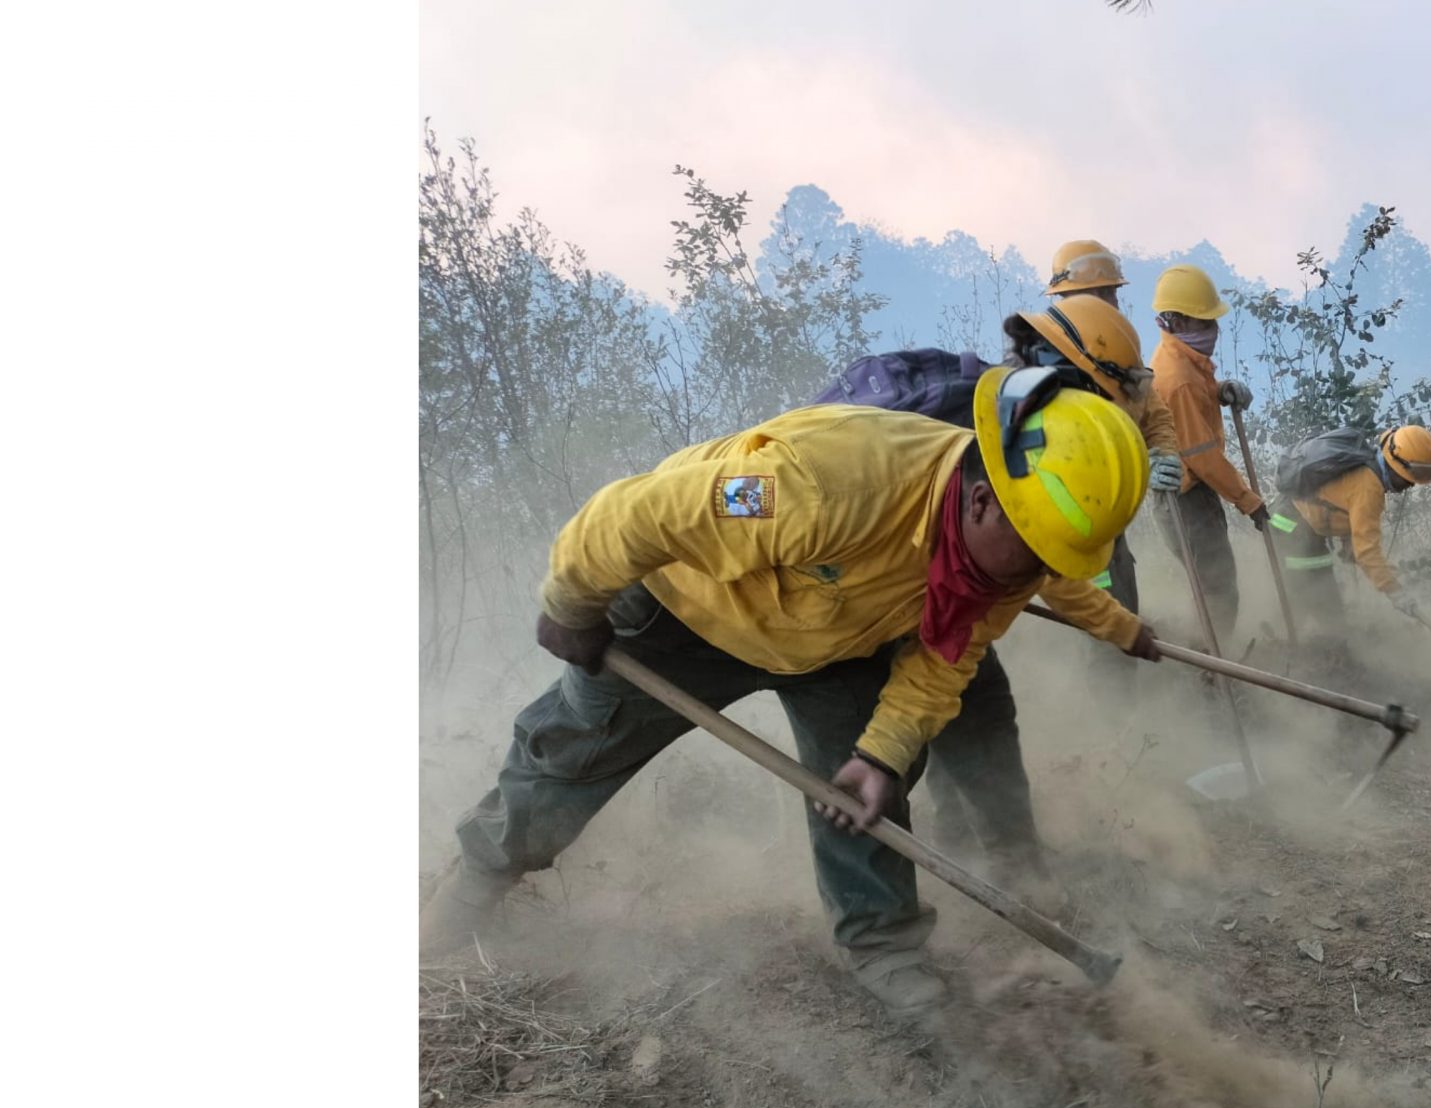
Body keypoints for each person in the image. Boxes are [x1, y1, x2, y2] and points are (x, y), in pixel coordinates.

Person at [421, 369, 1153, 1015]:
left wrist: (882, 754)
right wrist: (572, 604)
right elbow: (635, 515)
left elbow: (943, 664)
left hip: (839, 644)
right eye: (1037, 554)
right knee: (572, 752)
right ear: (985, 502)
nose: (1040, 576)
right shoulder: (818, 486)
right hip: (687, 614)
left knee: (866, 794)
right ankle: (476, 883)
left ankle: (883, 947)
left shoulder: (1001, 567)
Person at [806, 301, 1173, 892]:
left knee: (972, 711)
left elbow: (1042, 561)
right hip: (867, 605)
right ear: (1072, 373)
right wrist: (1120, 627)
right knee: (906, 737)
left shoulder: (1011, 414)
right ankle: (976, 872)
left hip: (937, 599)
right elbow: (1042, 560)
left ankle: (1008, 863)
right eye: (1107, 399)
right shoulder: (1004, 434)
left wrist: (1120, 628)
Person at [1043, 240, 1187, 612]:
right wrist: (1138, 462)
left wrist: (1164, 455)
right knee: (1101, 617)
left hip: (1108, 519)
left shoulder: (1119, 348)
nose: (1113, 303)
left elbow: (1154, 415)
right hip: (1069, 521)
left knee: (1123, 608)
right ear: (1069, 299)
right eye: (1103, 293)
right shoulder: (1044, 362)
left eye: (1113, 293)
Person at [1147, 263, 1268, 640]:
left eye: (1213, 321)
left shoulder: (1180, 358)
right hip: (1187, 500)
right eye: (1204, 322)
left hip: (1184, 494)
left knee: (1210, 585)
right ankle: (1211, 661)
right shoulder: (1180, 378)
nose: (1214, 330)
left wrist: (1218, 391)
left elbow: (1192, 399)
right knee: (1218, 588)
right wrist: (1249, 502)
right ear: (1177, 321)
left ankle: (1208, 653)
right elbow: (1203, 457)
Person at [1270, 423, 1431, 623]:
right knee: (1319, 602)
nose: (1411, 483)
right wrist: (1395, 591)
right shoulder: (1370, 488)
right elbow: (1367, 551)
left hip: (1294, 521)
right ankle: (1288, 635)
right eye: (1413, 475)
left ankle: (1294, 632)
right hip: (1292, 526)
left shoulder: (1366, 464)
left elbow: (1337, 499)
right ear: (1396, 464)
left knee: (1317, 596)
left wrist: (1348, 540)